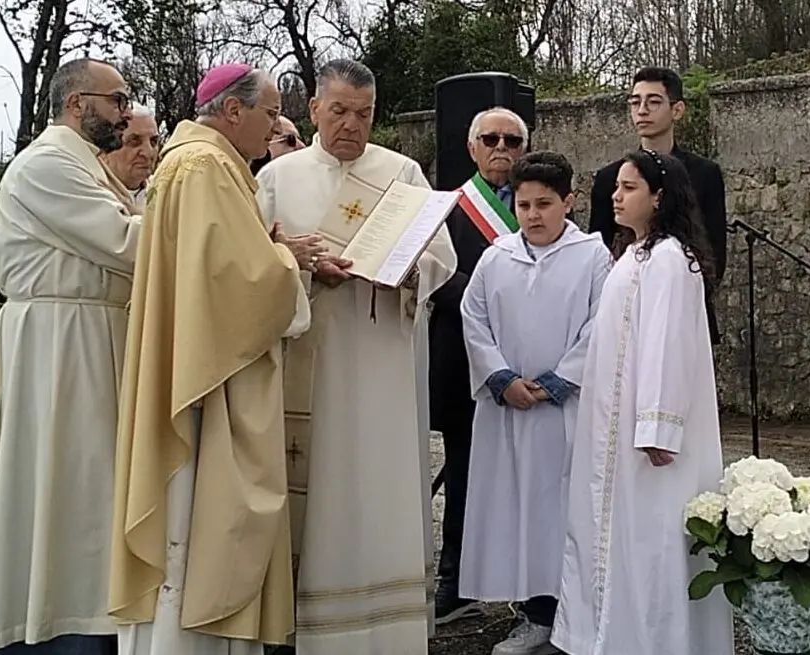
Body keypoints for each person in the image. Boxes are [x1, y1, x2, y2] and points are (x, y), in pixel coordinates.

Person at [108, 63, 324, 655]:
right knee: (199, 515)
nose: (277, 123)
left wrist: (268, 250)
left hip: (197, 359)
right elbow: (238, 280)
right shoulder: (204, 166)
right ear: (233, 111)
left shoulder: (198, 160)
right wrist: (289, 260)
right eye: (272, 110)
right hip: (208, 381)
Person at [255, 58, 458, 654]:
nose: (351, 124)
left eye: (364, 113)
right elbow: (252, 261)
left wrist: (408, 272)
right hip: (310, 359)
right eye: (339, 110)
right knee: (319, 487)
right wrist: (304, 269)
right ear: (313, 109)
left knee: (380, 480)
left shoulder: (402, 173)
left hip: (381, 362)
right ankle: (308, 623)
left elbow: (440, 258)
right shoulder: (277, 177)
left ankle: (388, 627)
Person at [0, 57, 139, 655]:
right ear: (79, 103)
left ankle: (88, 617)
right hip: (59, 342)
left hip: (90, 334)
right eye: (117, 100)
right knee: (63, 479)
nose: (125, 112)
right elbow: (127, 242)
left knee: (88, 482)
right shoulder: (49, 163)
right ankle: (51, 626)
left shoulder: (83, 165)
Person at [550, 150, 734, 655]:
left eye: (629, 188)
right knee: (614, 537)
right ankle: (611, 636)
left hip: (647, 435)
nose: (616, 195)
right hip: (612, 426)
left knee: (652, 541)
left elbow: (666, 347)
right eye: (617, 187)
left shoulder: (672, 260)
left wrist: (658, 427)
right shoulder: (632, 255)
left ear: (659, 197)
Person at [459, 151, 611, 655]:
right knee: (512, 511)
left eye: (545, 204)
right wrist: (501, 378)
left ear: (568, 201)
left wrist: (555, 382)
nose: (533, 215)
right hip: (508, 409)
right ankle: (528, 613)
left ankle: (565, 614)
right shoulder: (497, 256)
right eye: (524, 205)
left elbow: (601, 325)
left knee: (558, 512)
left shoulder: (593, 257)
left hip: (562, 411)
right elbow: (473, 317)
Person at [429, 106, 527, 626]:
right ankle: (456, 578)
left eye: (512, 140)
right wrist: (497, 301)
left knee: (527, 476)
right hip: (463, 362)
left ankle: (534, 591)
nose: (501, 148)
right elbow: (438, 276)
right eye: (490, 138)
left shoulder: (539, 202)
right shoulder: (448, 208)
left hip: (528, 362)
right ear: (471, 147)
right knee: (464, 474)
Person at [587, 66, 727, 344]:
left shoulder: (704, 173)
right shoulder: (609, 178)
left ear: (677, 110)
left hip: (684, 311)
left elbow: (714, 252)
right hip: (624, 312)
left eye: (653, 102)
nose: (642, 110)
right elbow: (599, 250)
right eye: (635, 102)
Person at [99, 105, 160, 210]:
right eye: (134, 141)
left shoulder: (165, 194)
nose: (148, 152)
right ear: (103, 150)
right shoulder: (88, 195)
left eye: (153, 142)